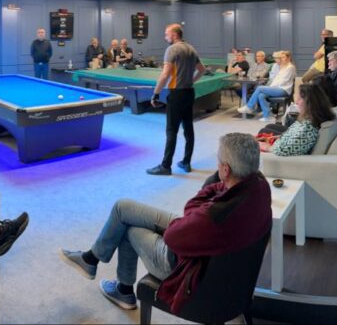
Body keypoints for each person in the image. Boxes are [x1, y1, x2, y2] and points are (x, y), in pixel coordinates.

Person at [59, 133, 271, 312]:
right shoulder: (259, 187)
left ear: (225, 170)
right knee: (122, 207)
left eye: (218, 162)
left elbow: (174, 235)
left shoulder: (214, 216)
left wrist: (208, 192)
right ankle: (91, 258)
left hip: (184, 262)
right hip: (204, 243)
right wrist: (219, 185)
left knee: (129, 229)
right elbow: (206, 206)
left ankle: (123, 290)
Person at [146, 24, 205, 176]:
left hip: (176, 94)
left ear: (174, 34)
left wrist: (156, 93)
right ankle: (186, 162)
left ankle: (165, 166)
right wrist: (191, 81)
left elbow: (165, 74)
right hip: (189, 92)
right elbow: (202, 70)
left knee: (171, 130)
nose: (165, 37)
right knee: (188, 129)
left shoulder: (172, 49)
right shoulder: (191, 49)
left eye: (167, 34)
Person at [258, 84, 335, 156]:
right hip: (279, 145)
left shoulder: (307, 129)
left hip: (276, 155)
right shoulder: (309, 119)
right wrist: (279, 137)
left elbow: (286, 150)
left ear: (310, 102)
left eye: (300, 98)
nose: (296, 102)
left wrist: (268, 147)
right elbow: (293, 136)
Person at [237, 51, 297, 121]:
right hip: (277, 88)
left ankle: (249, 106)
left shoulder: (290, 67)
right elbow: (275, 79)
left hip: (284, 90)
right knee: (261, 95)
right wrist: (270, 87)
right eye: (280, 57)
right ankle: (267, 116)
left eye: (283, 57)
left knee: (260, 88)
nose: (281, 59)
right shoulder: (283, 66)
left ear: (288, 58)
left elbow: (283, 81)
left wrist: (270, 87)